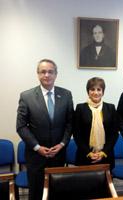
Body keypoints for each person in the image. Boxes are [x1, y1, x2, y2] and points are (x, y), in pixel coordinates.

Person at [16, 59, 74, 200]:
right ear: (38, 74)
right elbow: (21, 126)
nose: (46, 75)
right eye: (43, 72)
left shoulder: (66, 95)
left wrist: (62, 144)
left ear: (56, 74)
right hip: (36, 156)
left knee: (56, 192)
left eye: (50, 72)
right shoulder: (26, 96)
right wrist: (37, 147)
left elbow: (70, 123)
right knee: (36, 193)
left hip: (58, 155)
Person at [73, 77, 118, 169]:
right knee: (84, 183)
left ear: (103, 92)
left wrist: (103, 152)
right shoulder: (80, 108)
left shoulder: (110, 108)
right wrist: (88, 153)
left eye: (99, 89)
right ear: (88, 91)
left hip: (106, 155)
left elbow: (114, 134)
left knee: (106, 182)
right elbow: (77, 134)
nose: (96, 92)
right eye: (92, 89)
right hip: (85, 155)